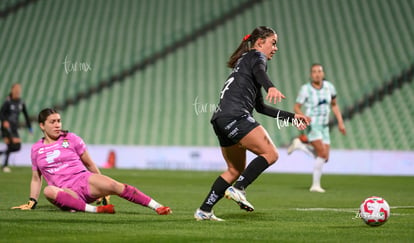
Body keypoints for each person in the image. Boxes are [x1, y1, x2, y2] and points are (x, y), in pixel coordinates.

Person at [194, 26, 310, 221]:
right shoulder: (256, 57)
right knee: (271, 154)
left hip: (220, 119)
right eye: (273, 43)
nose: (275, 48)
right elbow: (260, 70)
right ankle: (239, 188)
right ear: (259, 42)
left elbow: (261, 108)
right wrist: (270, 86)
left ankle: (204, 210)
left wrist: (291, 117)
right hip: (236, 116)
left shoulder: (244, 63)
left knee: (234, 170)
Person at [11, 108, 172, 215]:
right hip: (66, 190)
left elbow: (89, 164)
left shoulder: (71, 138)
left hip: (84, 180)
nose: (57, 125)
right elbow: (36, 178)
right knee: (49, 191)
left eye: (59, 121)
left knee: (114, 185)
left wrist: (104, 191)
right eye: (52, 122)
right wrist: (32, 201)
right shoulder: (36, 149)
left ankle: (157, 206)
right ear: (42, 125)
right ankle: (95, 210)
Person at [287, 64, 346, 193]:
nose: (317, 74)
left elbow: (334, 105)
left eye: (319, 71)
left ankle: (300, 146)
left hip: (325, 126)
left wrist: (340, 122)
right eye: (314, 72)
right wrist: (304, 117)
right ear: (311, 74)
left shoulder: (329, 87)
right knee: (322, 154)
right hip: (312, 125)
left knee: (325, 157)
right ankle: (315, 185)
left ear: (323, 73)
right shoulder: (306, 89)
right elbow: (296, 107)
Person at [0, 83, 32, 172]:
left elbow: (26, 115)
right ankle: (5, 166)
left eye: (19, 89)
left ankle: (3, 160)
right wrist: (4, 121)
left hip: (14, 128)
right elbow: (1, 113)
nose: (18, 90)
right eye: (16, 88)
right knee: (12, 144)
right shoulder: (8, 101)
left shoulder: (21, 102)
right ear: (12, 90)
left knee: (17, 147)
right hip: (7, 128)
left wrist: (30, 127)